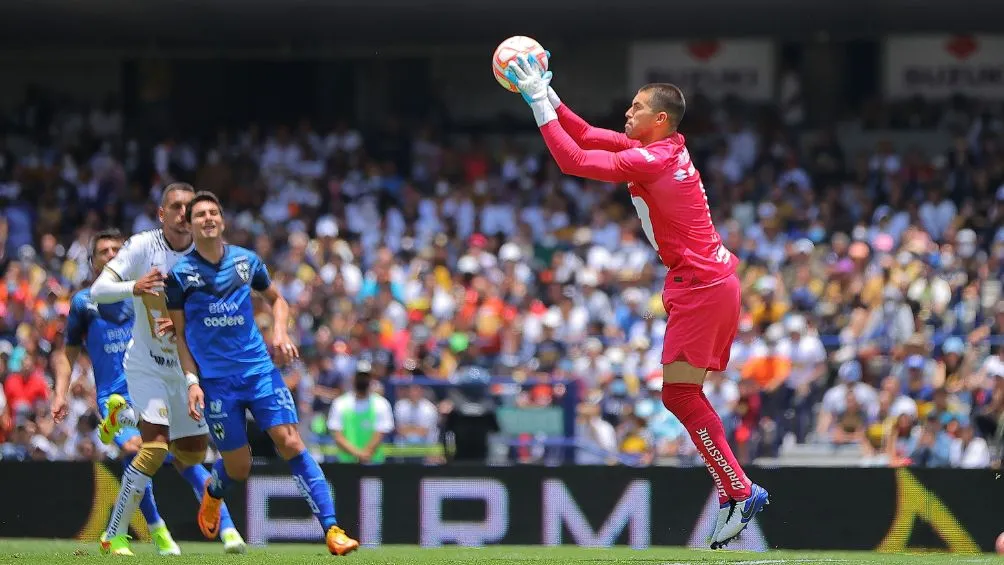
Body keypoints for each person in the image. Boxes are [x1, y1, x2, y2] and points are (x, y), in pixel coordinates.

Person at [505, 54, 769, 548]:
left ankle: (738, 489)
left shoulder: (651, 159)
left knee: (679, 396)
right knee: (682, 394)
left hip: (701, 285)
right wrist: (547, 94)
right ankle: (734, 489)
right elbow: (586, 134)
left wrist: (539, 102)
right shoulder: (662, 149)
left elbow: (573, 160)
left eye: (636, 108)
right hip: (709, 282)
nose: (627, 113)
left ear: (660, 118)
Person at [164, 191, 359, 556]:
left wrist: (280, 332)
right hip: (217, 383)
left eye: (213, 212)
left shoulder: (246, 261)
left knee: (291, 442)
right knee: (239, 467)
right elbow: (180, 337)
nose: (208, 218)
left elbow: (277, 300)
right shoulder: (179, 276)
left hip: (259, 371)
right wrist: (192, 382)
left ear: (222, 221)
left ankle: (333, 529)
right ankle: (213, 493)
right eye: (200, 214)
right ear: (189, 225)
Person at [88, 184, 244, 555]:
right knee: (155, 449)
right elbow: (98, 291)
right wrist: (135, 286)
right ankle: (114, 533)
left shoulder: (212, 256)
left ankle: (124, 415)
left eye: (189, 207)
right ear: (162, 214)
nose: (182, 213)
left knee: (192, 455)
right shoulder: (143, 246)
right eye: (175, 206)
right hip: (147, 366)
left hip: (186, 372)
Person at [50, 228, 182, 555]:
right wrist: (60, 393)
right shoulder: (84, 302)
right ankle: (150, 529)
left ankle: (142, 530)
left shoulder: (146, 293)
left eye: (116, 250)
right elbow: (67, 354)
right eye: (103, 251)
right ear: (93, 262)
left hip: (150, 388)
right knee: (137, 448)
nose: (111, 255)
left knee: (169, 453)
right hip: (113, 398)